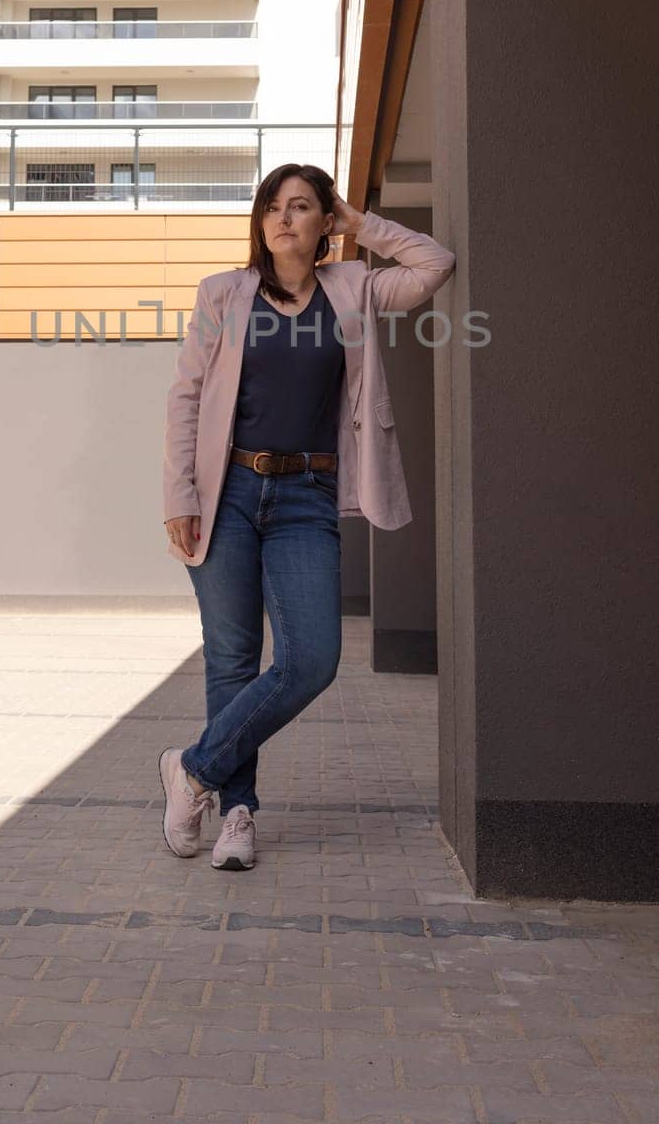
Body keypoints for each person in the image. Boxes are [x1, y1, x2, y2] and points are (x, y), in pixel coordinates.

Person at [160, 162, 456, 870]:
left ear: (322, 222)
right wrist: (179, 494)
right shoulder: (222, 294)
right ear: (259, 222)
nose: (284, 218)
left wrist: (361, 225)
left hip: (306, 499)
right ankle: (237, 812)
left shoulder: (354, 288)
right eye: (273, 206)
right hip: (227, 491)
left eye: (302, 207)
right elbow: (186, 399)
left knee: (311, 660)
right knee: (232, 658)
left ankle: (192, 769)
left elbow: (434, 263)